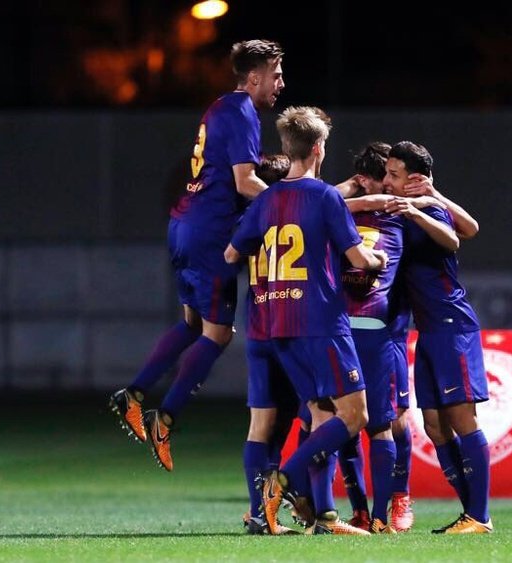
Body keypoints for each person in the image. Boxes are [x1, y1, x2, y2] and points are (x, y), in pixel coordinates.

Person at [109, 39, 285, 472]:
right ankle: (164, 418)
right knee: (219, 334)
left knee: (191, 323)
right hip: (210, 232)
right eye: (277, 73)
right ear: (255, 75)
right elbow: (245, 183)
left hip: (183, 223)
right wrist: (289, 205)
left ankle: (133, 394)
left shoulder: (221, 107)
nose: (281, 82)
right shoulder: (244, 111)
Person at [224, 106, 387, 535]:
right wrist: (378, 257)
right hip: (320, 321)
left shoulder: (268, 199)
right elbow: (358, 259)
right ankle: (284, 480)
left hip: (276, 323)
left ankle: (321, 516)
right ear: (318, 149)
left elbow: (231, 253)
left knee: (319, 414)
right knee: (354, 416)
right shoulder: (326, 196)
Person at [383, 141, 493, 534]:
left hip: (451, 325)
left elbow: (456, 237)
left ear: (414, 179)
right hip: (427, 331)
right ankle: (470, 512)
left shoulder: (426, 210)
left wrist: (424, 204)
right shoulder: (405, 209)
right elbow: (471, 225)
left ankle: (480, 516)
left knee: (462, 419)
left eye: (394, 174)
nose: (387, 181)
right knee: (433, 425)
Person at [335, 142, 407, 534]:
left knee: (349, 421)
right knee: (379, 425)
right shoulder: (401, 216)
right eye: (389, 178)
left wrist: (353, 193)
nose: (393, 187)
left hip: (344, 330)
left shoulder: (336, 215)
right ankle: (376, 516)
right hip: (371, 330)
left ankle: (375, 508)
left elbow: (312, 202)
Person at [241, 154, 300, 535]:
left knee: (262, 425)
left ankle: (259, 510)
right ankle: (308, 508)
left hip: (257, 327)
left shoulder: (251, 219)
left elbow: (231, 254)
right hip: (291, 329)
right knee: (310, 417)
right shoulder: (294, 218)